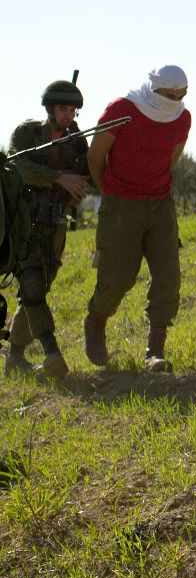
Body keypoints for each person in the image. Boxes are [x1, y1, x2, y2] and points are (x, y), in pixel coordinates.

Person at [83, 66, 192, 373]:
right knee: (117, 277)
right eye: (170, 95)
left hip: (160, 204)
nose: (175, 100)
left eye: (181, 95)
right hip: (121, 207)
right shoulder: (122, 110)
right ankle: (95, 322)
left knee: (168, 278)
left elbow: (170, 159)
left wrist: (152, 190)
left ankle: (154, 351)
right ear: (154, 88)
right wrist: (112, 193)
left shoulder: (182, 118)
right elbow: (95, 157)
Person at [5, 79, 92, 378]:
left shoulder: (77, 140)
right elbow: (16, 168)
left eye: (73, 110)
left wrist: (80, 181)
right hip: (24, 226)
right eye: (63, 108)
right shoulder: (26, 133)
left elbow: (88, 172)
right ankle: (51, 352)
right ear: (50, 109)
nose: (68, 115)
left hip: (55, 228)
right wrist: (57, 177)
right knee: (30, 284)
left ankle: (14, 358)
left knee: (35, 292)